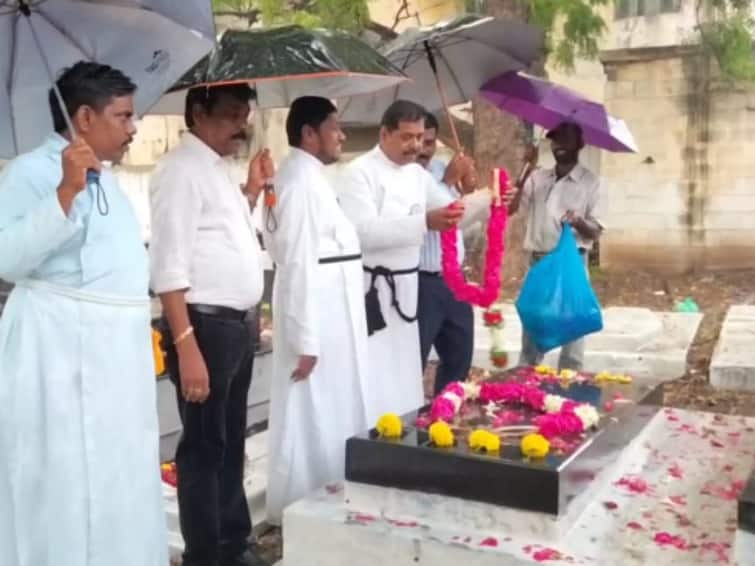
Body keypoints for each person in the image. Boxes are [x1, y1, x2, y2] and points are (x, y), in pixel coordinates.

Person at [0, 61, 166, 566]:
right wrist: (64, 191)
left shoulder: (109, 179)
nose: (134, 127)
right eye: (125, 115)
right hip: (61, 359)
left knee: (118, 479)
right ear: (85, 118)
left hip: (114, 360)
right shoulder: (30, 171)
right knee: (69, 483)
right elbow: (6, 258)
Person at [149, 84, 272, 566]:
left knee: (231, 441)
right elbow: (169, 269)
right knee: (204, 447)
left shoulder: (215, 167)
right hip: (203, 329)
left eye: (245, 115)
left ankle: (232, 541)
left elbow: (223, 234)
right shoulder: (179, 171)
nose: (241, 125)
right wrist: (186, 345)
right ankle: (206, 554)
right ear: (199, 113)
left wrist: (252, 191)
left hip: (234, 328)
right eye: (231, 115)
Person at [263, 96, 370, 524]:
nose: (342, 135)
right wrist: (306, 338)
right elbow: (297, 262)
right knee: (311, 411)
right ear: (309, 133)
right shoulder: (298, 183)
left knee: (332, 408)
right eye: (334, 127)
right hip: (317, 315)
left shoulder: (309, 178)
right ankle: (300, 505)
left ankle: (328, 492)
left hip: (333, 311)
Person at [338, 100, 466, 424]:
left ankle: (403, 438)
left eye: (421, 138)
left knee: (405, 375)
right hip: (374, 290)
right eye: (407, 137)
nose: (416, 147)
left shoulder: (416, 176)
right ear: (384, 133)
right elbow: (363, 233)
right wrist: (423, 222)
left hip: (410, 289)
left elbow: (453, 215)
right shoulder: (358, 172)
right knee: (376, 374)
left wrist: (490, 199)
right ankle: (369, 445)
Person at [505, 122, 603, 370]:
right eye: (555, 140)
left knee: (573, 332)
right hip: (538, 262)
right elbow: (509, 208)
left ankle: (570, 393)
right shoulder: (537, 178)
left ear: (580, 144)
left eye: (566, 139)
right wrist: (526, 169)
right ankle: (525, 385)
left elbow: (596, 231)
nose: (560, 145)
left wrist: (578, 221)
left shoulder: (591, 183)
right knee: (532, 331)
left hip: (571, 263)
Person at [416, 111, 478, 394]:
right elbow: (423, 214)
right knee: (414, 358)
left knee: (459, 357)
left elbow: (464, 216)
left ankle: (445, 418)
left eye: (429, 142)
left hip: (454, 279)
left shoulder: (444, 168)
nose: (422, 150)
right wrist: (448, 184)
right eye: (417, 140)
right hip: (421, 281)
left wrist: (470, 188)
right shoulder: (406, 176)